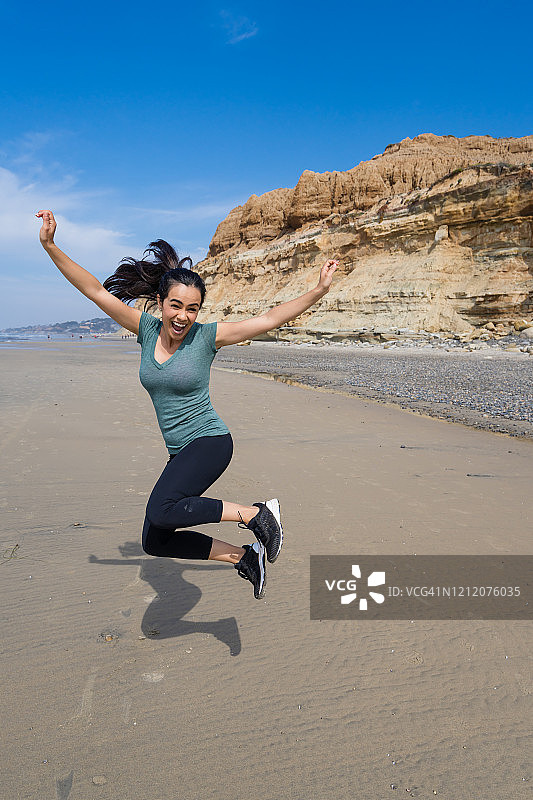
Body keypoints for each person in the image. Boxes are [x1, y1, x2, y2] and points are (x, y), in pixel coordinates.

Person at [36, 209, 339, 600]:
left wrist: (318, 291)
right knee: (155, 540)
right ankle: (244, 559)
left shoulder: (207, 337)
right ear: (160, 302)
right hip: (180, 451)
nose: (183, 316)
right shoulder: (144, 329)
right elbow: (94, 289)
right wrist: (50, 246)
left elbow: (267, 319)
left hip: (210, 441)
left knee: (163, 509)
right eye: (176, 306)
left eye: (192, 308)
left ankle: (255, 514)